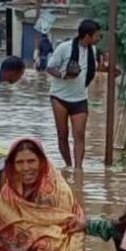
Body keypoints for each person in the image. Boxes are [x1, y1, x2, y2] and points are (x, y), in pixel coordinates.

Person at [46, 20, 102, 169]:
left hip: (80, 98)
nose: (98, 39)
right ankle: (68, 166)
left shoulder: (92, 50)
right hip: (59, 98)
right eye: (97, 36)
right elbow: (49, 67)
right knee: (62, 134)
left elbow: (91, 71)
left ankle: (78, 170)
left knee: (79, 135)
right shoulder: (64, 48)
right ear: (88, 36)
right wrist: (63, 75)